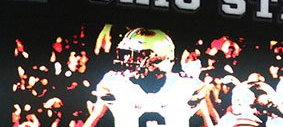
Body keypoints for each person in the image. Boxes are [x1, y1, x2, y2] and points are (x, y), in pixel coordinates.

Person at [84, 27, 213, 126]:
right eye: (127, 54)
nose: (128, 60)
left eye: (136, 56)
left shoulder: (188, 86)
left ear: (158, 58)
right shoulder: (113, 83)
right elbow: (93, 121)